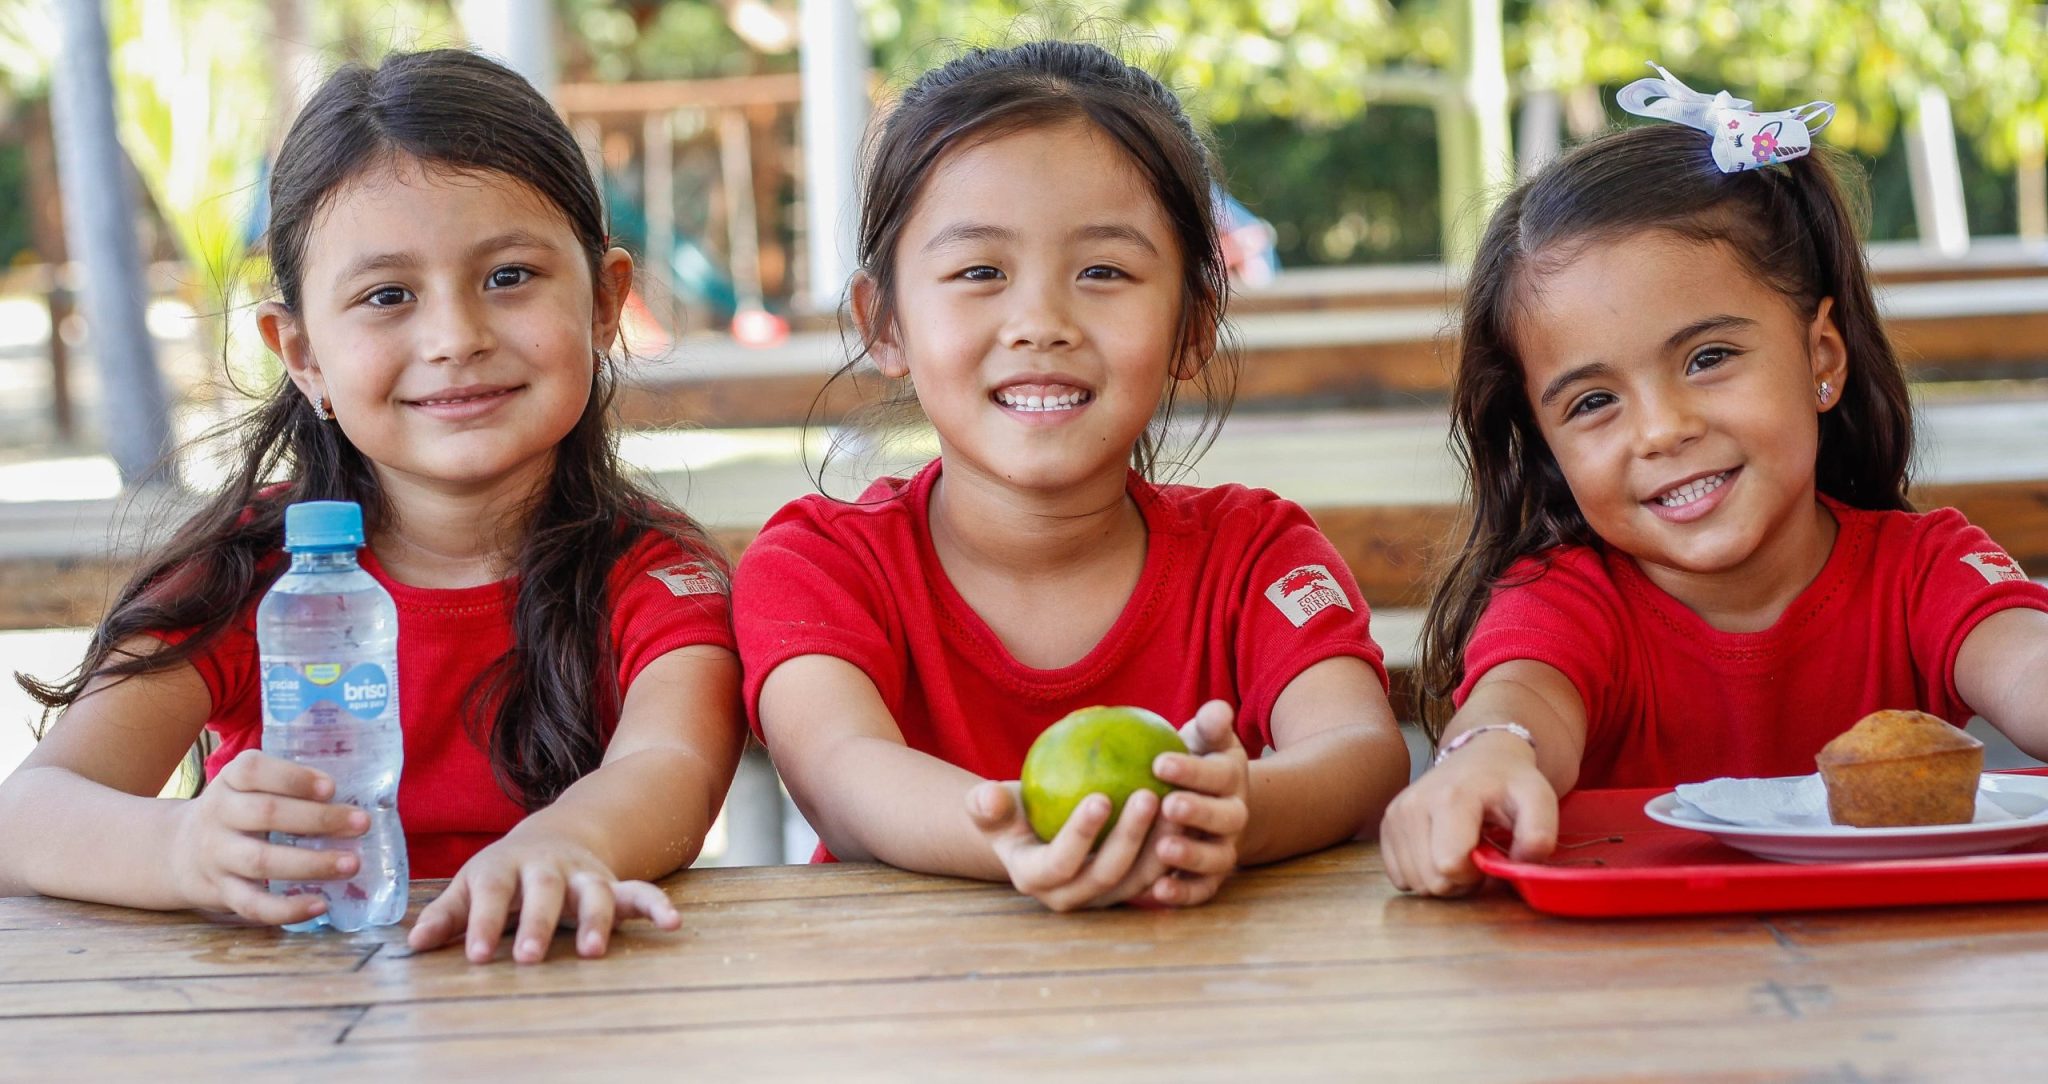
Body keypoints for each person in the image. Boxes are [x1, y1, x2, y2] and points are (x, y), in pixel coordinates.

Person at [0, 50, 745, 962]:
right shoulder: (244, 574)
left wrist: (568, 843)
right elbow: (28, 813)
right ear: (302, 353)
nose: (455, 337)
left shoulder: (656, 573)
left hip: (564, 1007)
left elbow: (672, 765)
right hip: (288, 1022)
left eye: (508, 276)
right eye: (388, 296)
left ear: (604, 303)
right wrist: (185, 848)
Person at [734, 41, 1410, 912]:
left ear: (1193, 321)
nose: (1041, 322)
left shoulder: (1258, 554)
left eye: (1103, 271)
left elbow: (1359, 749)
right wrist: (1037, 840)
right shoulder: (818, 567)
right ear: (885, 323)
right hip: (905, 1025)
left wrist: (1235, 812)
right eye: (980, 271)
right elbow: (842, 776)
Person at [1379, 68, 2048, 896]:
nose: (1662, 430)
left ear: (1821, 360)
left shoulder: (1923, 569)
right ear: (1549, 445)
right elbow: (1520, 703)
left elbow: (2027, 666)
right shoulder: (1563, 602)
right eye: (1593, 402)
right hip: (1635, 1005)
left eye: (1709, 358)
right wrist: (1480, 759)